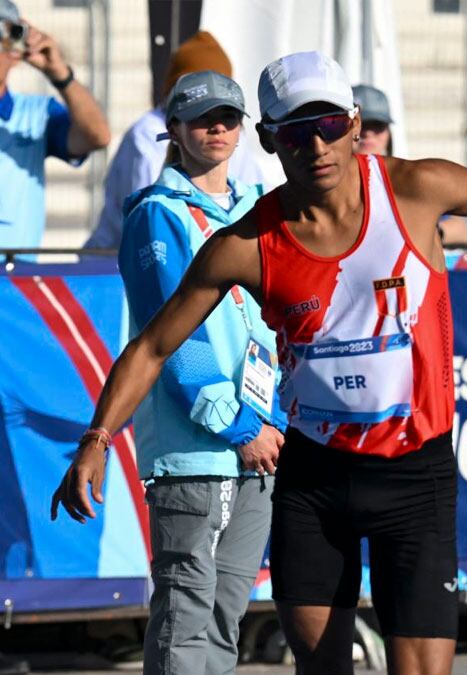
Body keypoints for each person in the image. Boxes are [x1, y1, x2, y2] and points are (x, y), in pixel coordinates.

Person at [51, 51, 467, 675]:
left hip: (414, 477)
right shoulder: (245, 242)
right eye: (293, 131)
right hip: (315, 480)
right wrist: (97, 438)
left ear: (356, 127)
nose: (314, 145)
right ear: (268, 139)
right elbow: (153, 345)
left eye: (329, 125)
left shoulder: (416, 189)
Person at [115, 70, 281, 674]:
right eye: (201, 117)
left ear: (244, 130)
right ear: (174, 131)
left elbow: (269, 328)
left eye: (229, 117)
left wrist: (273, 419)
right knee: (185, 622)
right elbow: (174, 341)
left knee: (223, 623)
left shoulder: (253, 210)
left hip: (258, 444)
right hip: (198, 453)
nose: (217, 127)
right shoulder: (157, 215)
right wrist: (243, 427)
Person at [85, 30, 264, 250]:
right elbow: (148, 224)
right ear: (175, 130)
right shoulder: (147, 134)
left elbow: (251, 194)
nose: (218, 127)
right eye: (202, 111)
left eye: (227, 113)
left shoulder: (235, 137)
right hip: (111, 266)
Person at [0, 0, 109, 250]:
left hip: (15, 282)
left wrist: (60, 74)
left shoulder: (37, 113)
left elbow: (97, 136)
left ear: (15, 47)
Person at [354, 82, 467, 246]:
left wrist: (428, 232)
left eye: (378, 126)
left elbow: (461, 231)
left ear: (389, 134)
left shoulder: (406, 177)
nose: (368, 134)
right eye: (361, 125)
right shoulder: (324, 183)